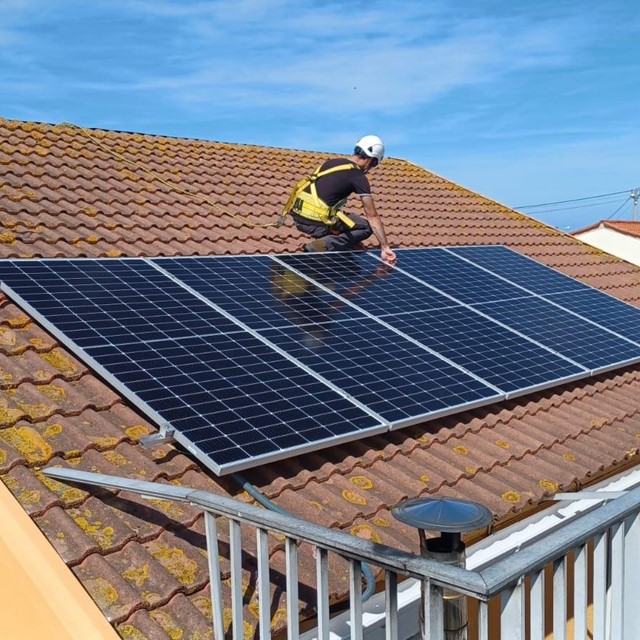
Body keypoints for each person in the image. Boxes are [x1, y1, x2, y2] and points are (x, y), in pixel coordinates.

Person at [281, 135, 397, 266]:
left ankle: (340, 242)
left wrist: (353, 240)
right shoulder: (358, 176)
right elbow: (372, 215)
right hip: (316, 223)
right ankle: (322, 245)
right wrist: (385, 247)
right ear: (372, 161)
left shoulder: (331, 163)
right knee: (366, 227)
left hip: (298, 217)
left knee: (343, 218)